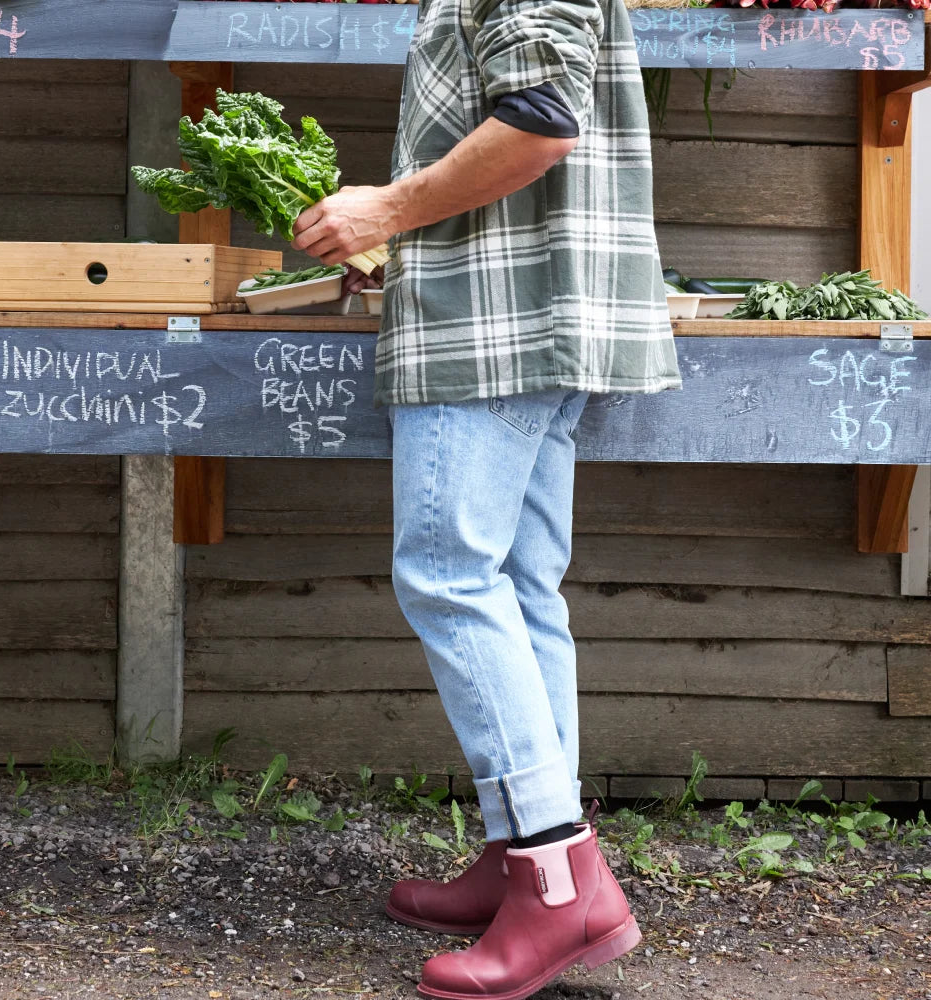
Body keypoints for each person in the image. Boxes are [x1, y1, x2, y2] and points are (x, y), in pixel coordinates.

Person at [292, 0, 681, 995]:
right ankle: (528, 857)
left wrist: (379, 210)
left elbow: (542, 117)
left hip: (493, 322)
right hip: (532, 315)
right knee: (514, 580)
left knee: (448, 573)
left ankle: (561, 886)